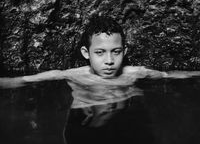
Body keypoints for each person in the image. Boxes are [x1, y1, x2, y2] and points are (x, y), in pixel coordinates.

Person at [0, 14, 200, 90]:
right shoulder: (75, 75)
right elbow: (27, 80)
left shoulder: (135, 73)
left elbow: (169, 75)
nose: (109, 60)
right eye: (100, 52)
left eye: (116, 51)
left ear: (125, 51)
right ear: (86, 53)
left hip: (123, 125)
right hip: (84, 123)